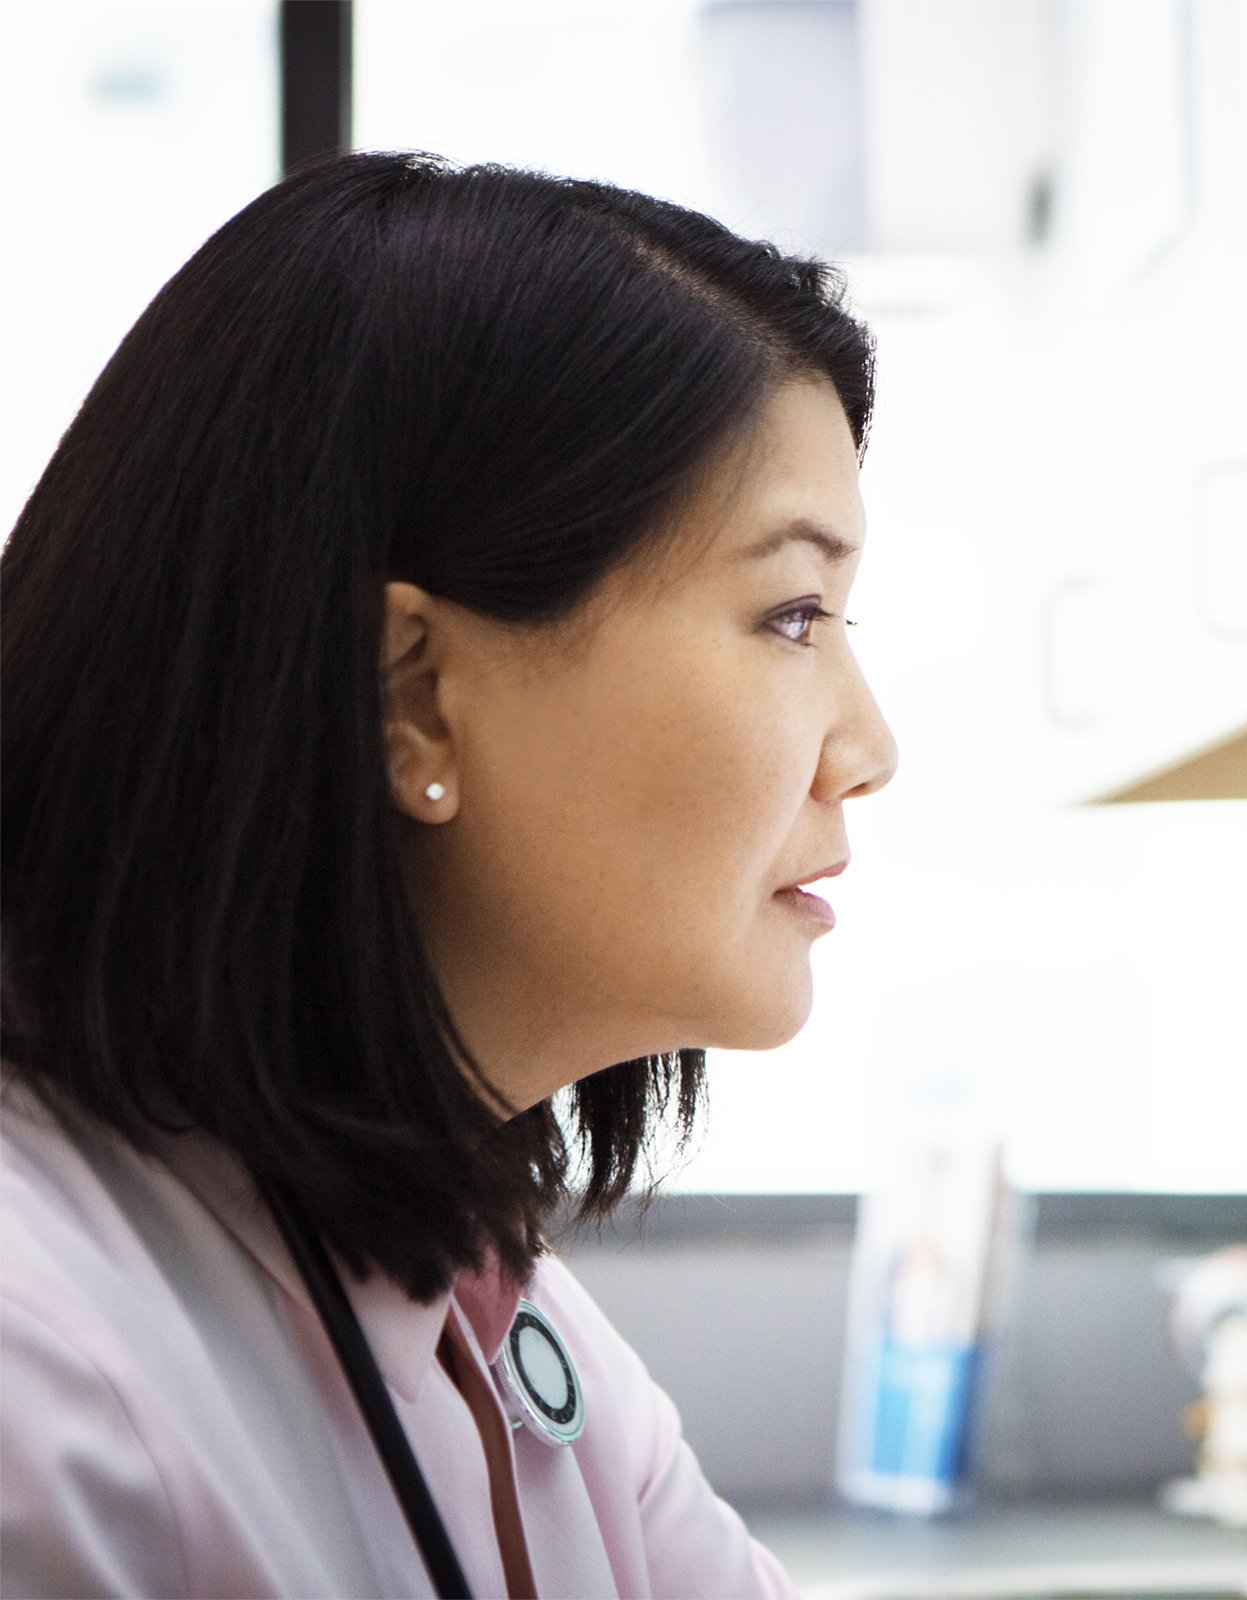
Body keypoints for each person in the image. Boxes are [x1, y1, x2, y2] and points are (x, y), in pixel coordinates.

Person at [0, 152, 897, 1598]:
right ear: (413, 693)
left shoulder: (490, 1299)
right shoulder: (41, 1383)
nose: (868, 747)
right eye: (792, 614)